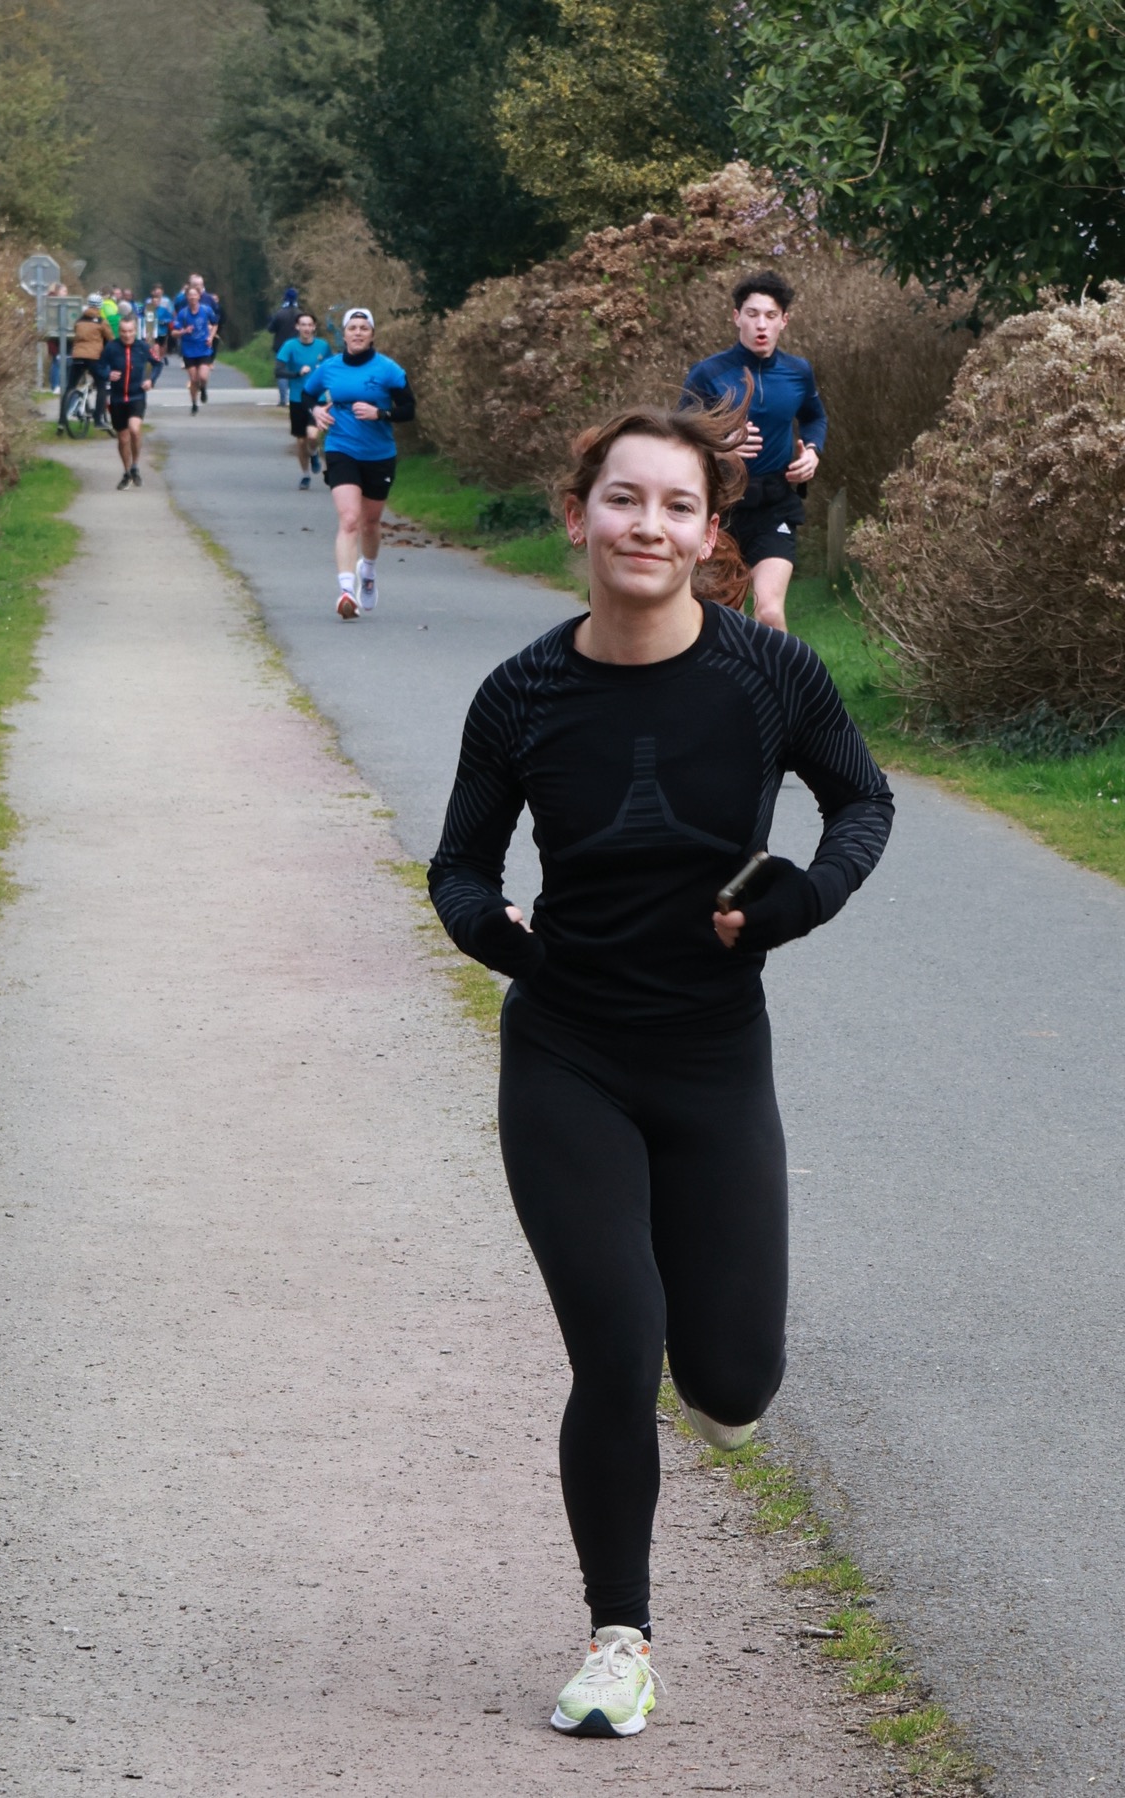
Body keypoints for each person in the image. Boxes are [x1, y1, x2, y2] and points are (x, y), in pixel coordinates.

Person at [427, 401, 893, 1739]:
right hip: (567, 1053)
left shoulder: (768, 676)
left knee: (731, 1382)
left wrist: (806, 895)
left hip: (713, 1057)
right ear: (580, 518)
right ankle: (618, 1639)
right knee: (619, 1349)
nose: (648, 525)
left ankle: (718, 1389)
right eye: (624, 500)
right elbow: (460, 865)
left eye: (677, 506)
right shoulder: (521, 694)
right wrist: (494, 931)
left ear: (710, 535)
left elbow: (862, 800)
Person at [681, 271, 826, 633]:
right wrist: (721, 445)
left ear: (784, 321)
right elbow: (678, 437)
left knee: (769, 613)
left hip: (774, 505)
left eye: (771, 315)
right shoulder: (708, 373)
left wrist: (812, 451)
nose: (761, 324)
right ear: (736, 317)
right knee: (720, 617)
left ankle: (779, 673)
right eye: (752, 314)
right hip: (721, 508)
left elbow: (814, 417)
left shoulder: (798, 372)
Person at [303, 308, 416, 618]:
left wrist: (380, 413)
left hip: (379, 453)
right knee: (350, 519)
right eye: (352, 328)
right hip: (341, 448)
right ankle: (345, 591)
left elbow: (409, 409)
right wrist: (316, 411)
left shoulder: (388, 369)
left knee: (370, 523)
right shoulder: (330, 368)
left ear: (372, 334)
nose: (357, 333)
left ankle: (368, 570)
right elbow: (307, 395)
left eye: (363, 328)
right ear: (344, 334)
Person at [100, 313, 158, 488]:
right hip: (117, 398)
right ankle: (127, 473)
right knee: (123, 438)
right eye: (124, 331)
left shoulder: (142, 347)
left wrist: (151, 380)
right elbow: (99, 366)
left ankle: (135, 466)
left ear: (135, 330)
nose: (127, 335)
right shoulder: (111, 348)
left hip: (136, 396)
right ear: (119, 331)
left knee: (134, 429)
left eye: (130, 331)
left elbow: (158, 364)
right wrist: (107, 374)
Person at [275, 312, 330, 488]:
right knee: (300, 440)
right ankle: (305, 475)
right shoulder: (290, 346)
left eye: (309, 325)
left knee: (312, 435)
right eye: (303, 325)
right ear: (297, 327)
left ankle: (313, 452)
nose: (306, 328)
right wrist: (297, 373)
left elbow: (333, 369)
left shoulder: (323, 346)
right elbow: (278, 371)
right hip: (297, 398)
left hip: (318, 398)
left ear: (314, 327)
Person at [58, 294, 112, 433]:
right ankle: (98, 420)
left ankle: (61, 421)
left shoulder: (79, 321)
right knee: (101, 386)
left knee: (70, 387)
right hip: (94, 358)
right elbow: (110, 339)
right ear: (100, 306)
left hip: (77, 356)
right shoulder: (101, 321)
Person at [170, 283, 218, 413]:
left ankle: (203, 389)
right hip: (189, 351)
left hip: (204, 348)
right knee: (194, 380)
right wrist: (184, 331)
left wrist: (211, 337)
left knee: (203, 377)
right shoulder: (183, 314)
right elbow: (173, 333)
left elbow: (215, 324)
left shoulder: (206, 310)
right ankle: (194, 404)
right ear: (187, 297)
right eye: (190, 295)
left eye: (194, 295)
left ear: (199, 296)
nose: (192, 298)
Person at [268, 287, 302, 405]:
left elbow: (271, 329)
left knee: (282, 373)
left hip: (281, 347)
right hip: (297, 347)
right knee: (297, 372)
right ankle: (297, 398)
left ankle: (283, 399)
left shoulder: (279, 314)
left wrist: (271, 321)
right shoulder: (300, 314)